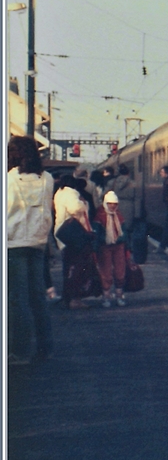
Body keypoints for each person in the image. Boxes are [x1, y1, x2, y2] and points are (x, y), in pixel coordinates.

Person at [7, 135, 55, 364]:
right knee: (38, 297)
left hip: (13, 243)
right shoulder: (48, 179)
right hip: (38, 242)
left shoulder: (8, 180)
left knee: (18, 299)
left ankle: (20, 351)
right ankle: (45, 347)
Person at [55, 181, 97, 309]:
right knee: (78, 267)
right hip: (75, 235)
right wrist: (83, 202)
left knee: (68, 268)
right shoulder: (71, 193)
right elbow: (76, 208)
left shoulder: (59, 193)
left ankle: (67, 297)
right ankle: (75, 299)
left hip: (65, 234)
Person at [93, 192, 128, 308]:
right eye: (110, 204)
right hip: (104, 246)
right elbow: (96, 235)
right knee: (105, 272)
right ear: (105, 203)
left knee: (120, 271)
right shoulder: (100, 216)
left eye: (114, 204)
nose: (112, 206)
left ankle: (119, 294)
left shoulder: (118, 215)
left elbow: (125, 231)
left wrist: (126, 244)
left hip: (118, 246)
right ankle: (106, 296)